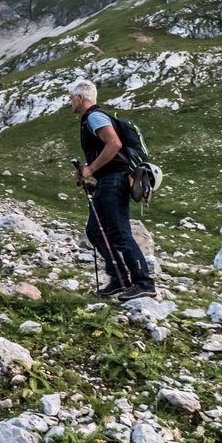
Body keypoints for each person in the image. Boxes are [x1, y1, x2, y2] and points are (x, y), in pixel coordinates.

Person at [69, 79, 156, 300]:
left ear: (80, 98)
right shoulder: (91, 119)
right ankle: (119, 277)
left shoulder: (95, 116)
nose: (70, 103)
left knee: (119, 231)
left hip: (115, 179)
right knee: (95, 231)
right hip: (109, 179)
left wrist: (90, 169)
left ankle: (143, 282)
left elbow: (114, 144)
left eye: (71, 98)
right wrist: (95, 178)